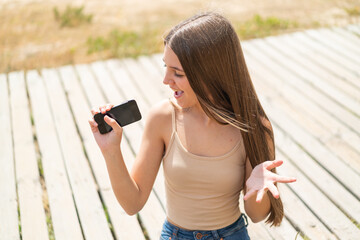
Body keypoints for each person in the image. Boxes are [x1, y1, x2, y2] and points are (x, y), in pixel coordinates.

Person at [88, 12, 296, 240]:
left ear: (210, 73)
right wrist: (111, 151)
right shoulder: (163, 118)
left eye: (178, 73)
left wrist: (257, 187)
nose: (166, 80)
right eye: (166, 67)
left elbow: (256, 215)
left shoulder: (253, 127)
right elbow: (132, 203)